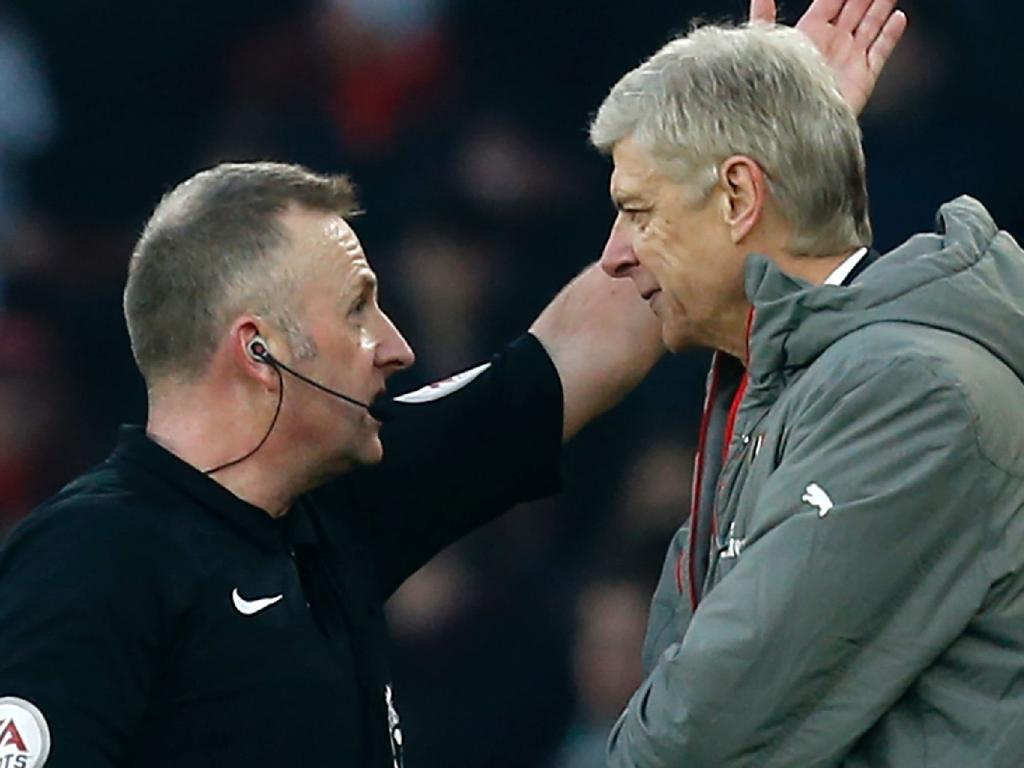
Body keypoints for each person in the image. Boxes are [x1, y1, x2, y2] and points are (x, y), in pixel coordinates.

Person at [0, 1, 904, 766]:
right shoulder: (92, 562)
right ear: (260, 350)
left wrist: (776, 143)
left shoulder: (345, 500)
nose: (395, 346)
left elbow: (593, 335)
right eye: (358, 310)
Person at [592, 2, 1024, 766]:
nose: (614, 256)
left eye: (638, 212)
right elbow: (677, 676)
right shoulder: (785, 381)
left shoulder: (907, 394)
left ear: (737, 198)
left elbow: (703, 733)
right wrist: (786, 114)